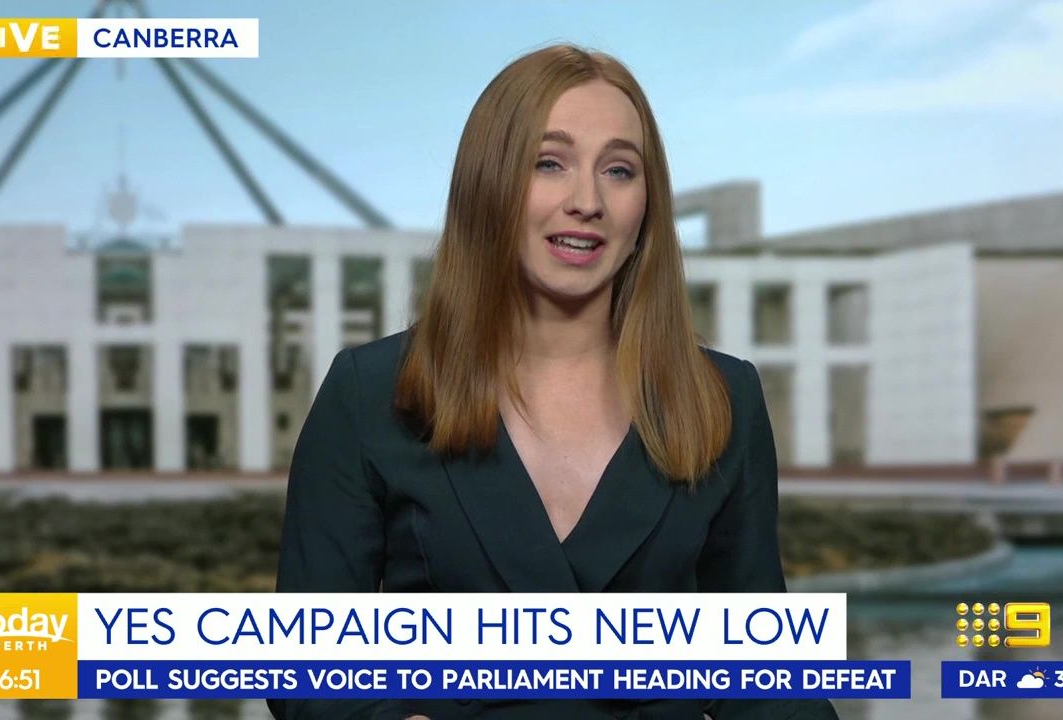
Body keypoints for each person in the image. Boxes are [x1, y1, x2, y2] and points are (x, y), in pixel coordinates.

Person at [269, 43, 839, 720]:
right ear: (489, 185)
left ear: (647, 205)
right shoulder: (369, 393)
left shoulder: (725, 398)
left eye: (619, 170)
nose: (587, 202)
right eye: (549, 163)